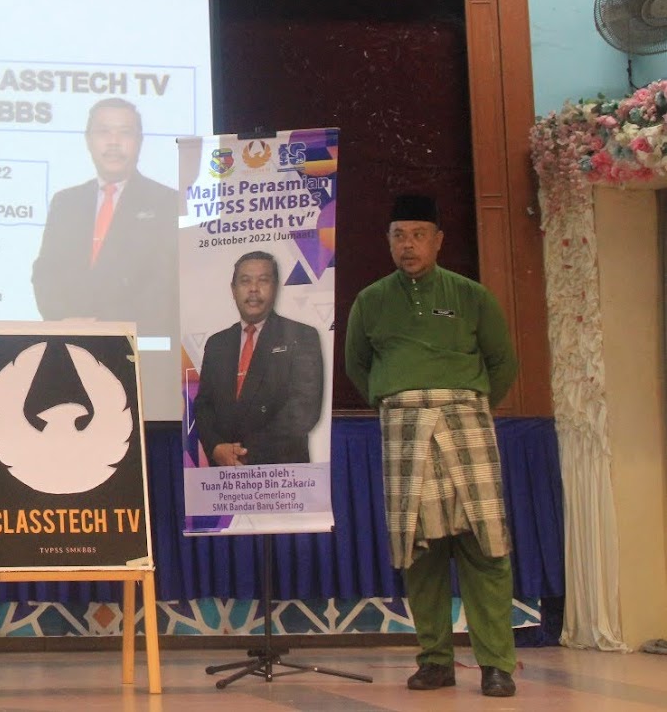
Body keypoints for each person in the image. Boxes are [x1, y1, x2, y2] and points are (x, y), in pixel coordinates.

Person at [344, 194, 520, 698]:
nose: (409, 245)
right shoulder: (371, 300)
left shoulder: (471, 295)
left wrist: (464, 406)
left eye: (419, 235)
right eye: (399, 235)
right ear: (388, 242)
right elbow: (358, 366)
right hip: (405, 430)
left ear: (439, 240)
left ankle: (496, 665)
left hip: (465, 424)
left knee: (484, 547)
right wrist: (399, 401)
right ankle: (436, 661)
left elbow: (502, 363)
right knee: (419, 551)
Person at [32, 98, 179, 337]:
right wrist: (64, 320)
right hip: (68, 339)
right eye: (103, 132)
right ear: (88, 140)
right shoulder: (65, 202)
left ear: (140, 141)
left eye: (125, 132)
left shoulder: (168, 203)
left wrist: (102, 325)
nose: (113, 142)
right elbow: (45, 272)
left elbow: (164, 286)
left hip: (140, 344)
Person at [191, 251, 324, 466]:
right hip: (223, 473)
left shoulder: (301, 336)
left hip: (281, 471)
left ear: (276, 287)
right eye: (245, 281)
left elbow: (304, 410)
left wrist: (244, 452)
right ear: (233, 290)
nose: (253, 289)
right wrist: (215, 447)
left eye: (263, 280)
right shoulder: (217, 343)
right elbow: (203, 405)